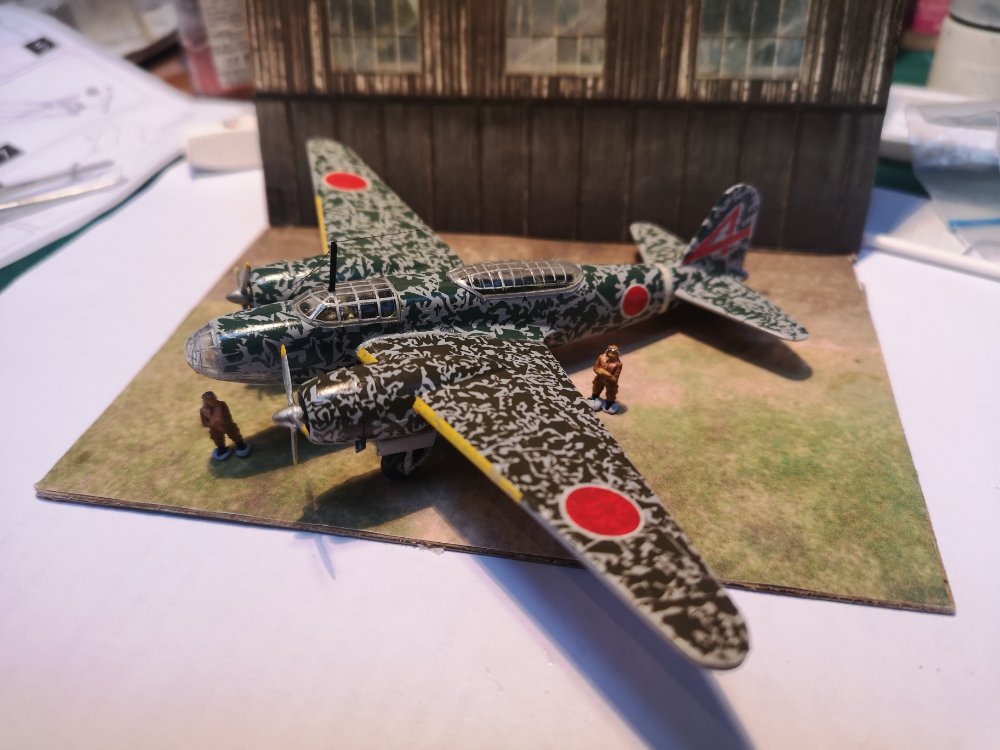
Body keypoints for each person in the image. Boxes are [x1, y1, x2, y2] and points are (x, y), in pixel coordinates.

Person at [200, 391, 251, 461]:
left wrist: (222, 421)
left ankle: (240, 444)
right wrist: (210, 424)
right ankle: (221, 448)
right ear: (205, 401)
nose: (213, 401)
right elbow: (204, 422)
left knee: (233, 432)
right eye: (210, 400)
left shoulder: (221, 405)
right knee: (216, 437)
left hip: (225, 424)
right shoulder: (203, 411)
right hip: (214, 427)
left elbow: (227, 415)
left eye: (214, 398)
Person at [588, 344, 623, 415]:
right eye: (610, 352)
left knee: (611, 392)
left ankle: (609, 403)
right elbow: (595, 368)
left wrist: (606, 373)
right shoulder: (601, 357)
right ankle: (594, 398)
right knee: (596, 388)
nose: (611, 354)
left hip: (610, 382)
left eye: (614, 353)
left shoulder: (618, 364)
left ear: (617, 354)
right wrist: (601, 372)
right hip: (600, 378)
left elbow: (615, 378)